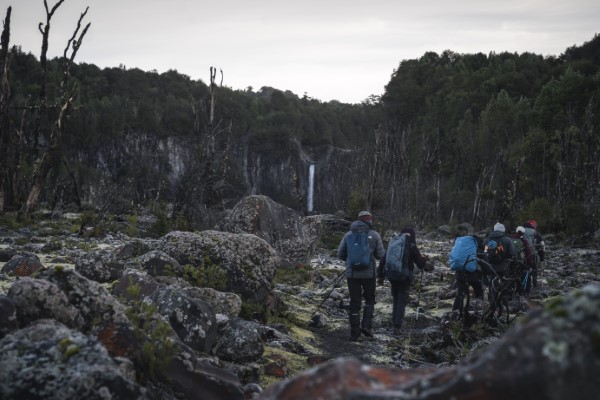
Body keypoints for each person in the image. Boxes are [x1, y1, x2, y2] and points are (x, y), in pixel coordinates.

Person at [337, 211, 385, 341]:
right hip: (369, 274)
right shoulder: (374, 235)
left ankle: (354, 332)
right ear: (369, 221)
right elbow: (381, 255)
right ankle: (366, 326)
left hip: (352, 273)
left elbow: (340, 253)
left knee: (354, 301)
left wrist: (351, 260)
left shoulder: (348, 235)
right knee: (370, 299)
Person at [377, 226, 433, 335]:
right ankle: (397, 327)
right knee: (401, 301)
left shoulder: (394, 244)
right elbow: (421, 265)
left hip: (392, 276)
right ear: (412, 235)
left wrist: (380, 276)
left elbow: (383, 260)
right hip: (404, 277)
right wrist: (424, 259)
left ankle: (394, 323)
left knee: (396, 299)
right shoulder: (412, 246)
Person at [450, 226, 484, 319]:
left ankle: (455, 313)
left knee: (460, 294)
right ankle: (479, 313)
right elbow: (484, 262)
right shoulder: (478, 248)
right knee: (479, 293)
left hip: (460, 273)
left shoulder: (463, 244)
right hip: (473, 275)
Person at [523, 220, 545, 287]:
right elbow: (541, 246)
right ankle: (534, 284)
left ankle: (524, 286)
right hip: (532, 254)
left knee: (524, 270)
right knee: (534, 269)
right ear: (534, 226)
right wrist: (542, 258)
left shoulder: (521, 230)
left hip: (521, 255)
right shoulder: (535, 233)